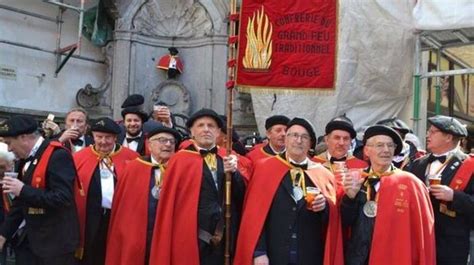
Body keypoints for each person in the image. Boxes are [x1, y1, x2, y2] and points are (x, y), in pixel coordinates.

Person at [234, 117, 343, 265]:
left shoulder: (324, 174)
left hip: (309, 256)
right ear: (286, 139)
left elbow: (332, 224)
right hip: (273, 255)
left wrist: (325, 207)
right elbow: (254, 215)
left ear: (310, 144)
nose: (298, 141)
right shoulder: (264, 168)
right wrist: (259, 252)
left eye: (304, 137)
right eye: (294, 135)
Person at [149, 108, 246, 265]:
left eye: (211, 125)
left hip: (226, 237)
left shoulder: (228, 158)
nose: (206, 129)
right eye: (200, 125)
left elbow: (241, 197)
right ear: (192, 132)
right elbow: (170, 204)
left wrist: (234, 174)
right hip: (192, 235)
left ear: (218, 132)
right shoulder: (180, 160)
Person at [341, 125, 435, 265]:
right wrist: (349, 198)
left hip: (394, 257)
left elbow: (423, 233)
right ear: (367, 150)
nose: (386, 150)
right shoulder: (355, 178)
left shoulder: (411, 184)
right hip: (357, 257)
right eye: (379, 145)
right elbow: (344, 223)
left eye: (390, 146)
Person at [0, 115, 79, 265]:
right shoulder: (27, 158)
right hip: (31, 242)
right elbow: (21, 203)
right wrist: (4, 235)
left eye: (10, 143)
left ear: (24, 137)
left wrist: (23, 190)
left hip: (55, 245)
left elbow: (63, 198)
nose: (9, 149)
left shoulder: (57, 155)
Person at [105, 125, 181, 265]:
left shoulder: (180, 170)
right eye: (162, 140)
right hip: (138, 232)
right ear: (149, 145)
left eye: (172, 141)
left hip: (169, 232)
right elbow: (123, 207)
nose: (168, 144)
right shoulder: (134, 168)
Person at [408, 115, 473, 265]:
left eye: (432, 132)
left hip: (451, 246)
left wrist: (454, 196)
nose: (427, 135)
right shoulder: (418, 163)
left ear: (448, 137)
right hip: (419, 238)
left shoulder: (469, 165)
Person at [73, 117, 139, 265]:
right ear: (93, 137)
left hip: (119, 217)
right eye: (99, 137)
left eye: (108, 137)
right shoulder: (79, 158)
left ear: (115, 138)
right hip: (89, 217)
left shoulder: (132, 158)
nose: (103, 141)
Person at [312, 115, 368, 198]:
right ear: (327, 140)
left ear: (350, 142)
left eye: (346, 139)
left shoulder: (362, 167)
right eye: (337, 138)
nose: (341, 143)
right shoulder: (313, 164)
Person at [0, 142, 14, 265]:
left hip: (16, 235)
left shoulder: (17, 178)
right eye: (2, 167)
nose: (8, 170)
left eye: (10, 165)